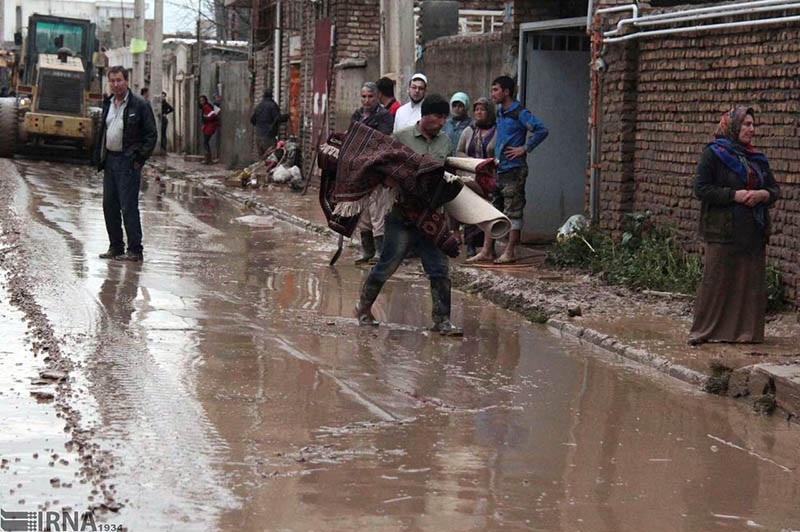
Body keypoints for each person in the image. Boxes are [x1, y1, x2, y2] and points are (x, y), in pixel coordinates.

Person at [355, 94, 463, 336]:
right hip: (401, 214)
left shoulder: (445, 142)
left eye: (445, 117)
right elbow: (381, 168)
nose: (442, 122)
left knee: (439, 269)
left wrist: (454, 223)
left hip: (431, 217)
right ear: (425, 116)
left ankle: (442, 319)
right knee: (387, 265)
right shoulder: (401, 137)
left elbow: (449, 177)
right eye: (438, 116)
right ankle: (363, 307)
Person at [688, 106, 780, 345]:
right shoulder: (714, 154)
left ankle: (745, 334)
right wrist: (734, 195)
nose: (751, 129)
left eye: (752, 124)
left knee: (747, 284)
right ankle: (706, 332)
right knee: (717, 281)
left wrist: (762, 194)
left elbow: (774, 190)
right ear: (732, 127)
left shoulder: (756, 159)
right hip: (722, 231)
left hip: (752, 232)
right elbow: (702, 189)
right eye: (746, 124)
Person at [92, 65, 157, 262]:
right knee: (109, 205)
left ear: (126, 81)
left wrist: (139, 159)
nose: (116, 84)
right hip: (110, 160)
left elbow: (151, 135)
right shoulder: (108, 103)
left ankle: (135, 250)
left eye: (119, 80)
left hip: (128, 162)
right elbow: (103, 131)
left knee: (128, 206)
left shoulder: (139, 105)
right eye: (112, 81)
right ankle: (116, 247)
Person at [490, 75, 549, 264]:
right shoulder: (500, 112)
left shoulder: (519, 113)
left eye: (496, 90)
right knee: (493, 210)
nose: (493, 94)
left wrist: (525, 148)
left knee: (513, 211)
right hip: (500, 168)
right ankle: (487, 249)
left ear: (506, 92)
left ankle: (510, 251)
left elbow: (541, 130)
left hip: (514, 169)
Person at [350, 81, 395, 264]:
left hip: (377, 170)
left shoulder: (384, 117)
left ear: (377, 97)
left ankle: (380, 252)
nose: (367, 100)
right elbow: (352, 139)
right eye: (364, 97)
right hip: (360, 171)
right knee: (363, 213)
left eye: (370, 97)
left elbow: (380, 140)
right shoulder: (357, 115)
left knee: (378, 211)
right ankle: (367, 251)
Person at [457, 97, 498, 261]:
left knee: (490, 211)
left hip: (491, 177)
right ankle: (471, 246)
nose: (479, 113)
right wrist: (471, 163)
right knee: (471, 211)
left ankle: (489, 248)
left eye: (483, 109)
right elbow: (459, 151)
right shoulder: (469, 131)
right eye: (476, 110)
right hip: (472, 177)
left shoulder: (497, 131)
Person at [250, 89, 289, 158]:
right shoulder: (272, 106)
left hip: (259, 137)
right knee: (272, 158)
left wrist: (260, 125)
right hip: (268, 137)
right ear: (271, 96)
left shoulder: (259, 106)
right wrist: (286, 117)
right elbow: (278, 119)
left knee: (263, 159)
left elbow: (252, 120)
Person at [442, 92, 473, 157]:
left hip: (464, 161)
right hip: (447, 160)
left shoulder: (472, 124)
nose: (457, 108)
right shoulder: (445, 123)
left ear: (466, 107)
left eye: (460, 106)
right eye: (454, 106)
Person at [198, 95, 219, 164]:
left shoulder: (206, 106)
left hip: (210, 126)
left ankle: (208, 159)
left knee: (205, 142)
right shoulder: (205, 106)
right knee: (206, 142)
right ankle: (208, 159)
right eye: (200, 101)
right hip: (208, 126)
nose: (202, 102)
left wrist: (207, 116)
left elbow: (213, 114)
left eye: (203, 100)